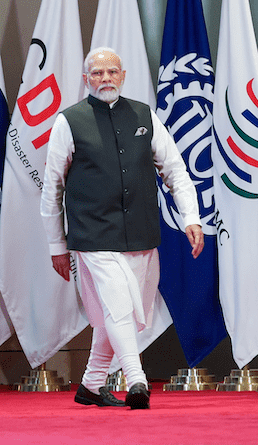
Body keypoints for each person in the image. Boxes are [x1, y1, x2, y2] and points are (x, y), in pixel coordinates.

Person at [40, 47, 204, 410]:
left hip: (142, 232)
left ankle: (91, 384)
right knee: (117, 305)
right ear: (86, 80)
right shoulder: (69, 122)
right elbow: (52, 189)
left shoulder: (144, 116)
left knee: (118, 313)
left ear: (123, 76)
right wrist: (57, 245)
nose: (106, 79)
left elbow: (175, 170)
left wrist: (191, 217)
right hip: (93, 234)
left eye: (112, 72)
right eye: (97, 74)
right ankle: (137, 381)